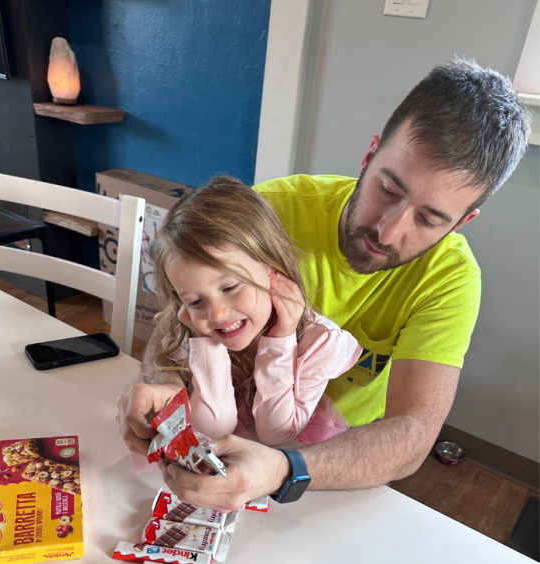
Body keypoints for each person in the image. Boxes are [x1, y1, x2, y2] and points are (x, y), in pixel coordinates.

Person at [117, 58, 531, 510]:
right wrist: (164, 390)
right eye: (388, 190)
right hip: (224, 444)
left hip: (340, 464)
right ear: (369, 157)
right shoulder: (270, 212)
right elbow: (178, 320)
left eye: (429, 220)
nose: (387, 232)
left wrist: (283, 469)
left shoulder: (450, 279)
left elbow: (413, 434)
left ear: (461, 223)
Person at [148, 177, 362, 447]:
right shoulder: (193, 325)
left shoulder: (320, 342)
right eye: (195, 301)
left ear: (272, 268)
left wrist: (280, 342)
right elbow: (211, 431)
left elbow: (276, 434)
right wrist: (207, 343)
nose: (216, 314)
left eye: (230, 287)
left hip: (290, 455)